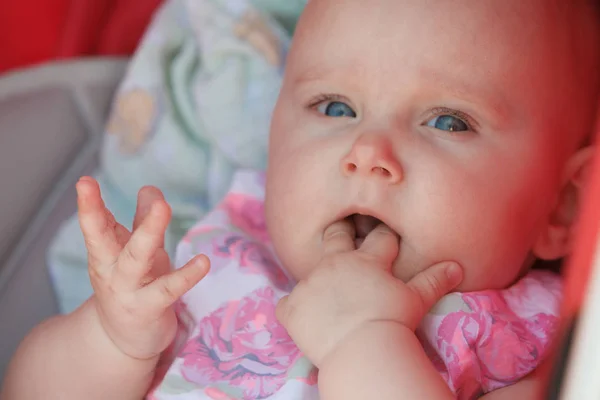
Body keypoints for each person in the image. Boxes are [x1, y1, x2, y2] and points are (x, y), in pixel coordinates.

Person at [2, 0, 599, 399]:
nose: (367, 151)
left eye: (446, 121)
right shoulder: (216, 257)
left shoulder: (537, 344)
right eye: (335, 108)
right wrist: (116, 339)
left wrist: (362, 341)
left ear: (562, 208)